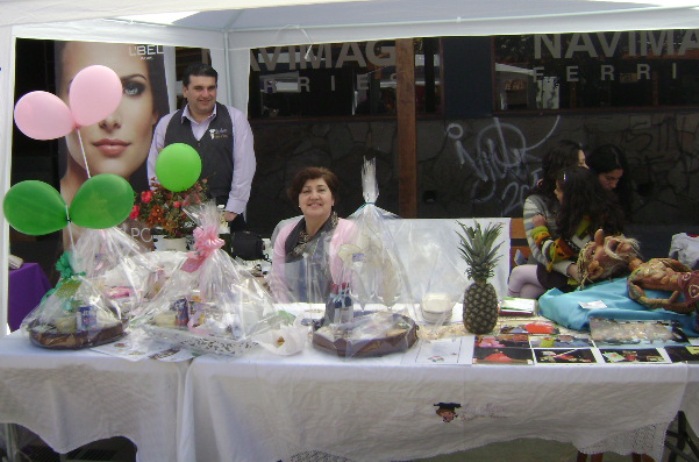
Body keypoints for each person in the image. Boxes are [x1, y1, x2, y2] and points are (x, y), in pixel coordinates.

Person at [56, 40, 170, 248]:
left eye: (132, 88)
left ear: (155, 109)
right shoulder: (49, 216)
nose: (109, 119)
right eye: (86, 90)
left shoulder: (161, 216)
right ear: (59, 103)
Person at [147, 62, 256, 232]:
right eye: (199, 88)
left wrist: (232, 211)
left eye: (211, 88)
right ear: (185, 90)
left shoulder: (235, 119)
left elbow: (245, 167)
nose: (206, 94)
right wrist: (167, 209)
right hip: (180, 218)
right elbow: (155, 170)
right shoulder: (167, 124)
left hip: (225, 216)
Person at [507, 139, 587, 299]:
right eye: (581, 164)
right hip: (551, 267)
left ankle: (509, 311)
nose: (586, 169)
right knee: (526, 290)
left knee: (524, 286)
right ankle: (511, 315)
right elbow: (540, 252)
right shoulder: (537, 202)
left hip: (577, 271)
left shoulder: (584, 200)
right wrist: (569, 268)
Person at [268, 166, 356, 303]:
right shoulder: (286, 233)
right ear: (298, 200)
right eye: (306, 191)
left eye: (321, 190)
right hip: (295, 316)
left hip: (339, 313)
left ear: (332, 199)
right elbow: (278, 283)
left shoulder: (349, 231)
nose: (314, 196)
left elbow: (355, 281)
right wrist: (288, 315)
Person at [538, 165, 626, 292]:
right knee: (528, 287)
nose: (555, 192)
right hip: (597, 279)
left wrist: (539, 230)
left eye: (558, 189)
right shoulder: (605, 213)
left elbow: (552, 254)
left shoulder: (584, 225)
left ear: (571, 196)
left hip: (589, 282)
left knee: (521, 274)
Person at [586, 144, 633, 221]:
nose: (614, 185)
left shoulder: (619, 194)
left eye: (618, 179)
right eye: (609, 178)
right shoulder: (580, 197)